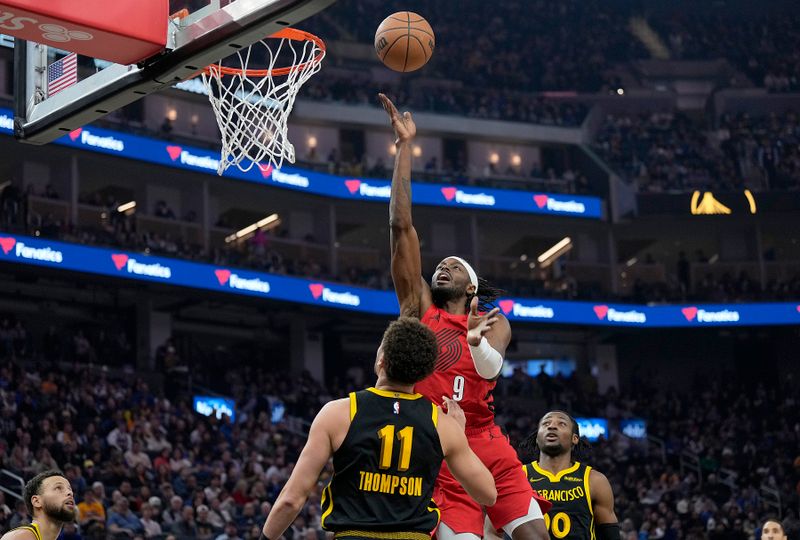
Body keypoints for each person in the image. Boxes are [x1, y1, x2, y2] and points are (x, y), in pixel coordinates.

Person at [379, 92, 550, 540]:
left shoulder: (494, 320)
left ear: (471, 287)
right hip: (438, 446)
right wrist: (404, 148)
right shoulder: (419, 309)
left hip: (486, 442)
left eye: (454, 267)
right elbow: (401, 228)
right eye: (441, 265)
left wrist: (475, 344)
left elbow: (492, 367)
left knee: (536, 536)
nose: (442, 267)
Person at [261, 317, 497, 539]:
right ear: (425, 372)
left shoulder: (338, 413)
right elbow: (487, 494)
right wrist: (459, 434)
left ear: (381, 360)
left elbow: (291, 500)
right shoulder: (443, 425)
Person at [513, 411, 618, 540]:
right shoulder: (518, 477)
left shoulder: (594, 480)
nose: (551, 426)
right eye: (546, 423)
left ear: (575, 438)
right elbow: (494, 532)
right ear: (537, 437)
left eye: (561, 423)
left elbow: (610, 535)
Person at [1, 470, 76, 540]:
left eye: (69, 489)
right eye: (58, 488)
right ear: (37, 501)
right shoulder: (21, 537)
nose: (69, 493)